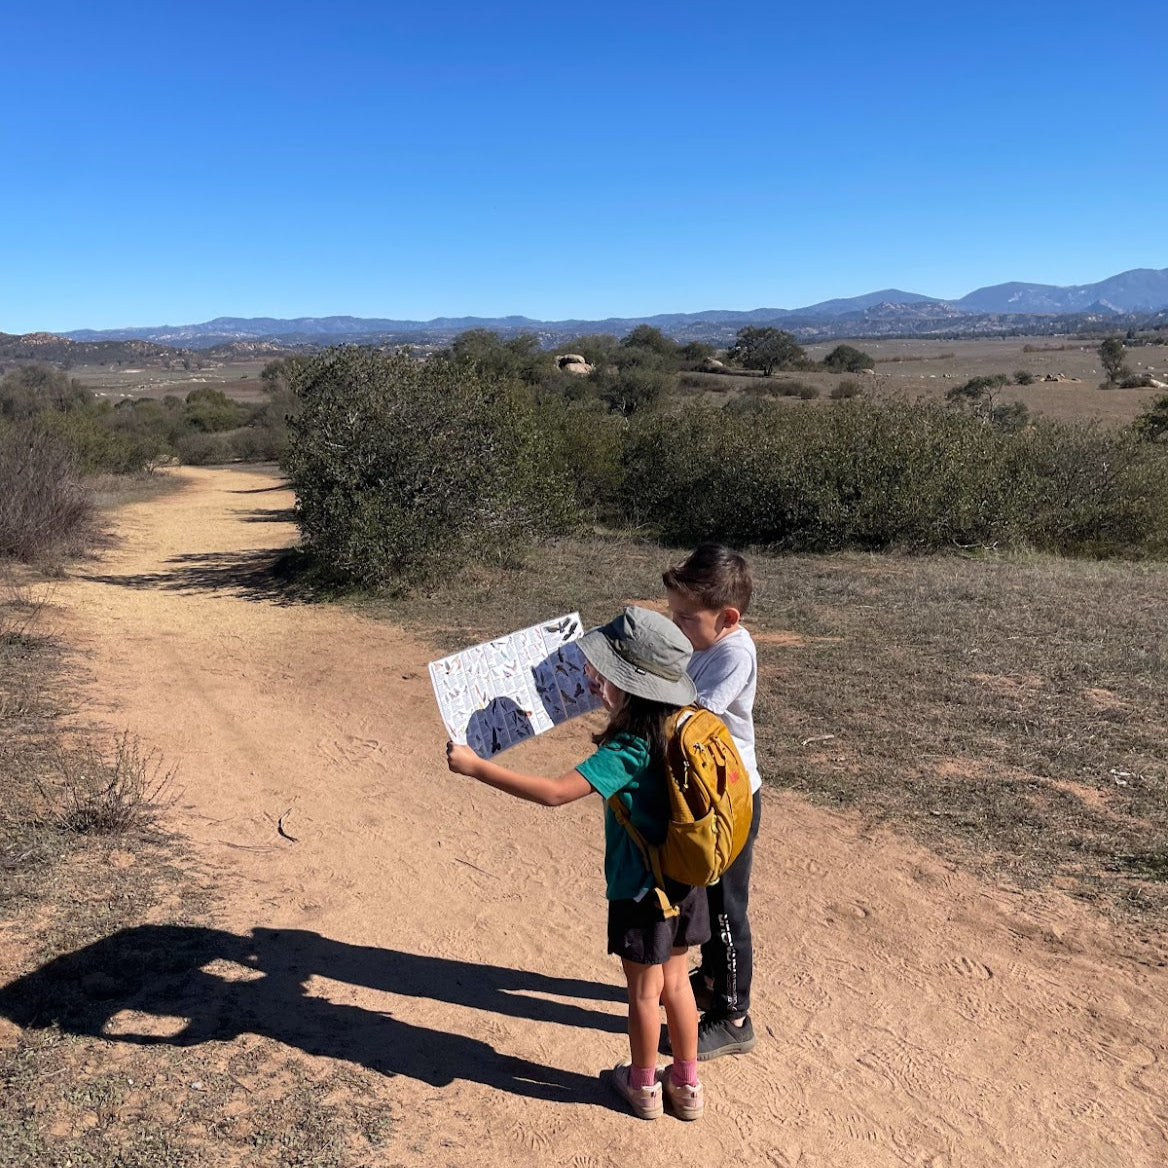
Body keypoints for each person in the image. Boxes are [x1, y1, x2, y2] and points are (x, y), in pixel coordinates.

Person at [444, 606, 709, 1121]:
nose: (592, 678)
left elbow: (554, 793)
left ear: (626, 684)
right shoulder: (683, 725)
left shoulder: (630, 748)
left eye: (602, 672)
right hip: (686, 879)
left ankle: (643, 1088)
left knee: (642, 992)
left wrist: (477, 768)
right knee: (678, 985)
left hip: (639, 889)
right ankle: (687, 1086)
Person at [662, 544, 761, 1060]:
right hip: (701, 796)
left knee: (726, 910)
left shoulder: (733, 653)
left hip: (730, 803)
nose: (677, 626)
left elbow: (692, 718)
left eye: (686, 618)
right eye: (672, 615)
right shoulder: (702, 642)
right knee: (701, 897)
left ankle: (733, 1016)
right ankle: (710, 980)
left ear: (727, 617)